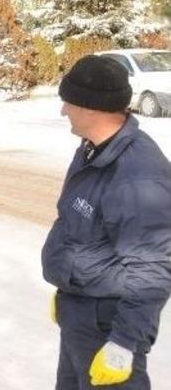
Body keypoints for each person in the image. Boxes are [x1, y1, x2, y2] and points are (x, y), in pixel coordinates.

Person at [42, 55, 171, 389]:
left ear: (90, 107)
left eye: (67, 102)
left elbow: (153, 268)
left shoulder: (137, 176)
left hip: (108, 324)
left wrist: (124, 344)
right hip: (80, 310)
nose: (63, 110)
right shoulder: (92, 150)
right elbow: (74, 226)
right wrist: (67, 285)